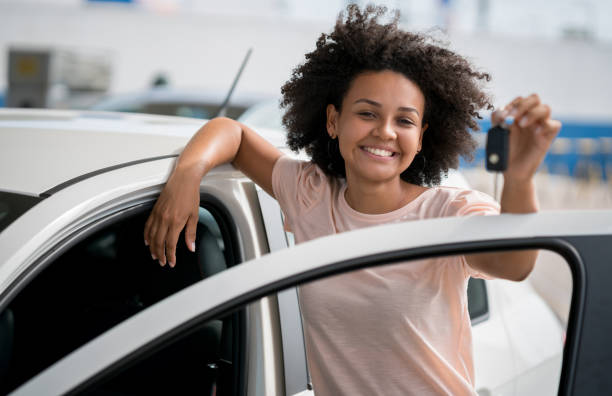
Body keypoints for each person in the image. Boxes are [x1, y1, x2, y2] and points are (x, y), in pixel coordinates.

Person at [143, 4, 561, 395]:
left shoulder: (446, 211)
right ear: (332, 120)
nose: (385, 131)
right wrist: (188, 174)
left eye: (404, 120)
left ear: (422, 137)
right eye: (367, 113)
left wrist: (520, 179)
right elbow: (229, 132)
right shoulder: (311, 193)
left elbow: (516, 263)